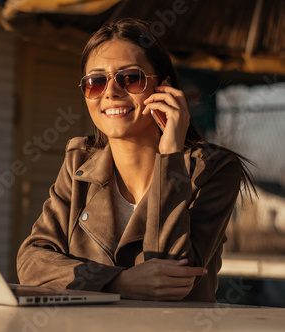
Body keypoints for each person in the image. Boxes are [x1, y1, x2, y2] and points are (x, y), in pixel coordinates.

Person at [16, 18, 254, 302]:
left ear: (164, 87)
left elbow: (172, 279)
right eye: (96, 82)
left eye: (130, 78)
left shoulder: (212, 169)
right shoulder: (79, 162)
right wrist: (118, 282)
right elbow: (32, 261)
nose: (111, 92)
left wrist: (170, 157)